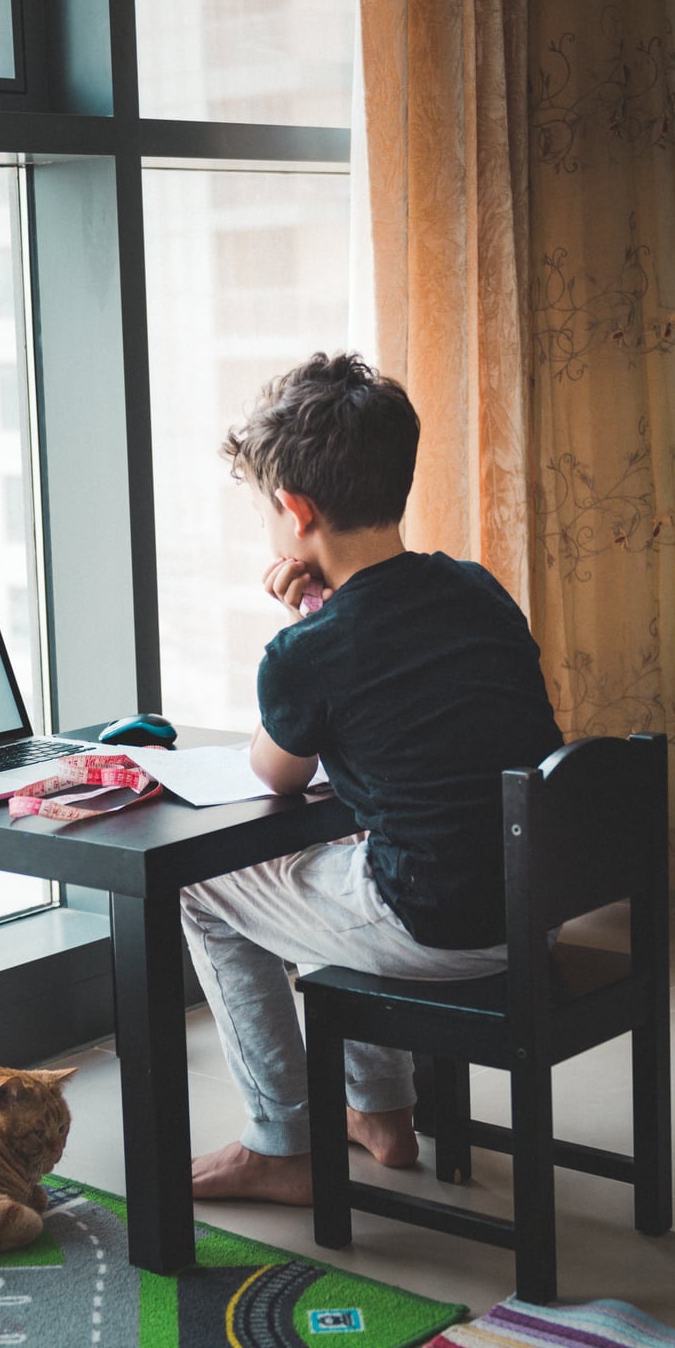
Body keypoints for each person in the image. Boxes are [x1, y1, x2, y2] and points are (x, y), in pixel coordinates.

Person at [181, 350, 565, 1205]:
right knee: (362, 851)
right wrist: (324, 622)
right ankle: (384, 1114)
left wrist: (304, 629)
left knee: (203, 888)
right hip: (531, 905)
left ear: (296, 510)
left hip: (437, 926)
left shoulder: (308, 652)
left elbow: (272, 772)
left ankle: (282, 1142)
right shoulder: (479, 589)